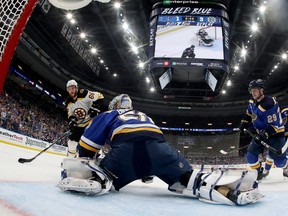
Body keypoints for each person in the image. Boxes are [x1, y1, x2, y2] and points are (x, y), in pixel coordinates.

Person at [57, 94, 263, 205]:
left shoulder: (110, 114)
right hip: (161, 150)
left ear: (114, 105)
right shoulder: (143, 114)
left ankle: (95, 179)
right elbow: (150, 143)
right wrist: (146, 170)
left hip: (126, 151)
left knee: (94, 170)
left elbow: (86, 147)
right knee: (188, 180)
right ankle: (224, 189)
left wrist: (89, 162)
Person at [239, 79, 288, 180]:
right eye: (251, 91)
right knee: (250, 156)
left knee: (279, 162)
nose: (253, 93)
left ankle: (286, 166)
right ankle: (258, 173)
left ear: (262, 90)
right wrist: (244, 122)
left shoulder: (269, 104)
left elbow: (273, 126)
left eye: (255, 90)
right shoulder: (252, 102)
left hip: (276, 135)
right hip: (260, 134)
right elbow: (249, 113)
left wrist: (262, 135)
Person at [65, 79, 104, 157]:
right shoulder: (68, 102)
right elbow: (71, 114)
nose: (71, 90)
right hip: (80, 125)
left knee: (90, 142)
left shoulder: (84, 93)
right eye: (69, 89)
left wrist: (94, 108)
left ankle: (96, 157)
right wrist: (72, 121)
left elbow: (100, 96)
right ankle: (70, 161)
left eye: (73, 88)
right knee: (71, 142)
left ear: (76, 88)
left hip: (91, 122)